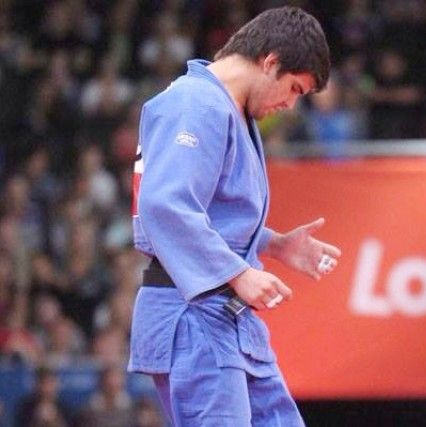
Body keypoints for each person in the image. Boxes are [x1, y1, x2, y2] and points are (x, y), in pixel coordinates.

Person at [127, 6, 340, 426]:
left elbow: (210, 212)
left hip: (226, 315)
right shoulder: (196, 103)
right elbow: (165, 205)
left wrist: (272, 244)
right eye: (294, 89)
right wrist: (239, 272)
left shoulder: (228, 108)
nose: (290, 104)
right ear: (271, 62)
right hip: (192, 312)